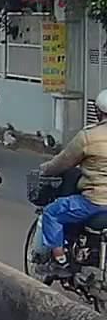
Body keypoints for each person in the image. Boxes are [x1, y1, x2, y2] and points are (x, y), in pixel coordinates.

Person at [34, 89, 107, 275]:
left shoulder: (89, 136)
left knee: (51, 213)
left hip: (94, 202)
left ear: (98, 112)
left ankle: (60, 261)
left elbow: (63, 161)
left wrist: (45, 169)